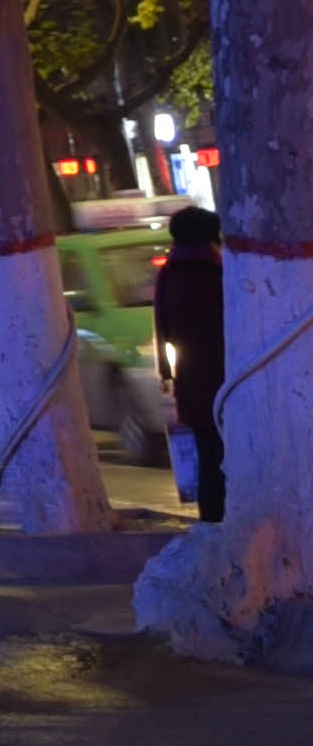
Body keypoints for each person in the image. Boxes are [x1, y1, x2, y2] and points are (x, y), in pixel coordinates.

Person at [155, 199, 227, 524]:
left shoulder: (169, 273)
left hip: (191, 380)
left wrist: (166, 373)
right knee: (230, 453)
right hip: (228, 379)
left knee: (207, 455)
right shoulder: (219, 272)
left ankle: (211, 519)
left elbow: (163, 328)